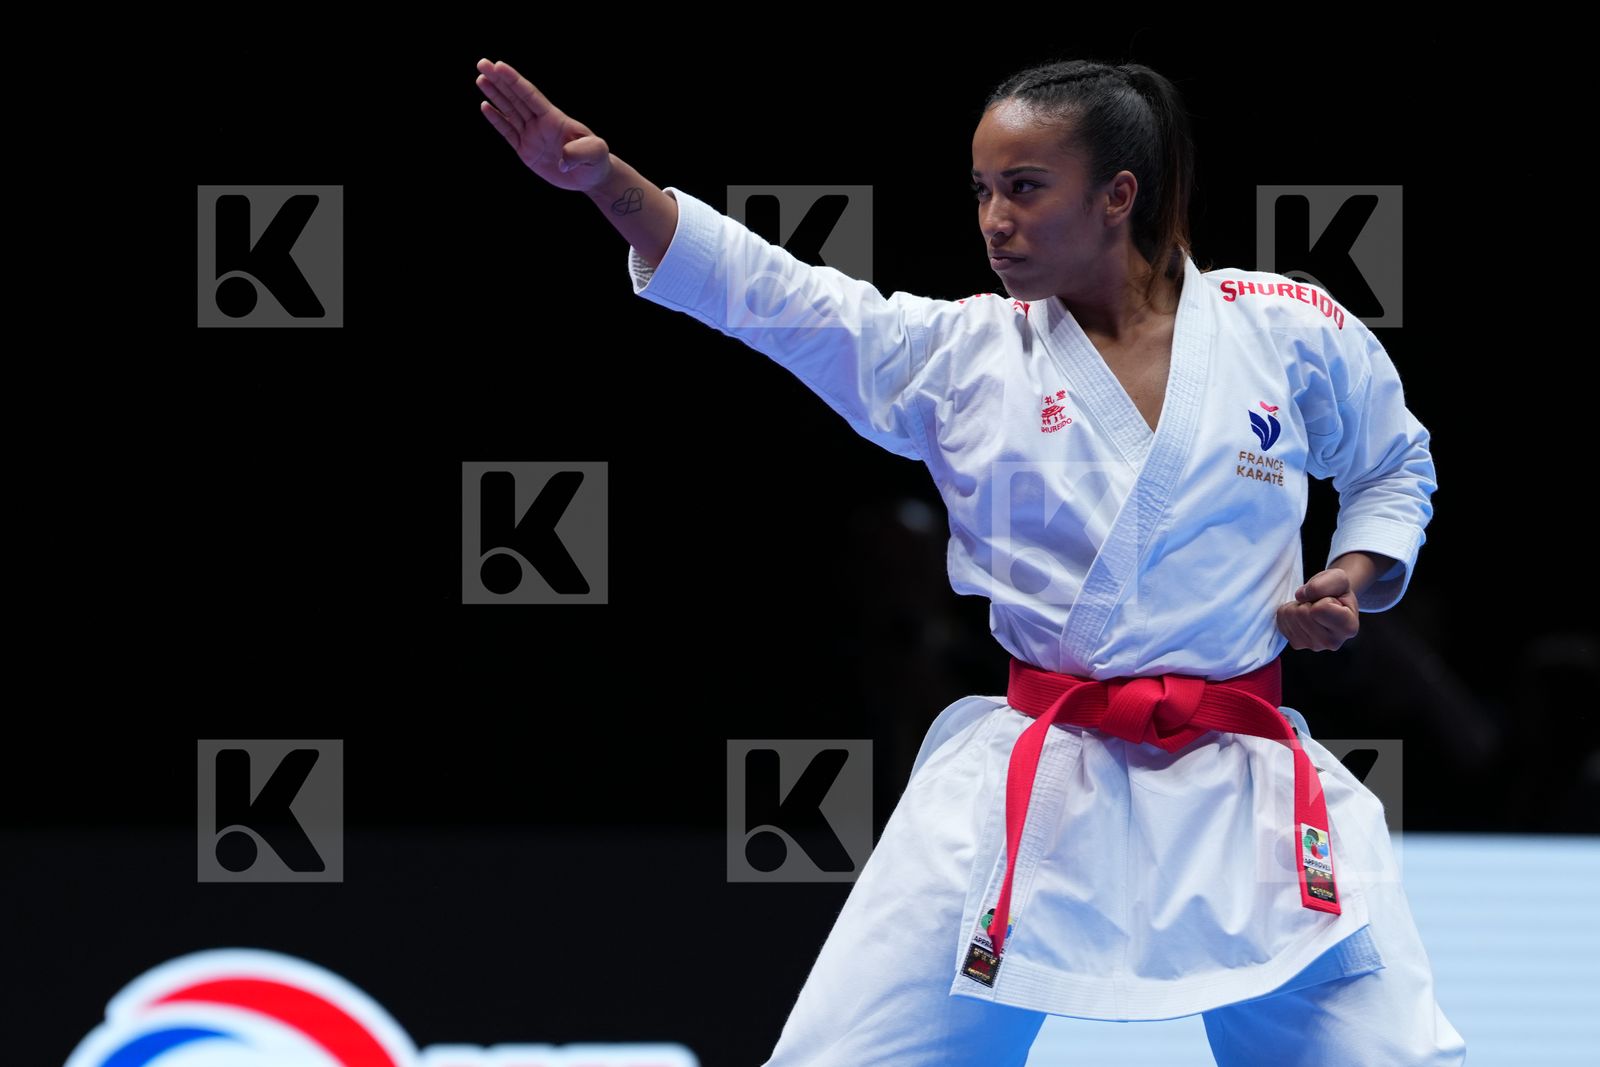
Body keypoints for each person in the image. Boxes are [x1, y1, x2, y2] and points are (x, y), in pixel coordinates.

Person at [475, 54, 1467, 1066]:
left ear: (1117, 195)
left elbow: (1394, 463)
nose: (994, 220)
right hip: (1034, 779)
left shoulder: (1283, 326)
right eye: (982, 190)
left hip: (1240, 783)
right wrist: (609, 186)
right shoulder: (961, 356)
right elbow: (774, 293)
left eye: (1025, 188)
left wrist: (1354, 574)